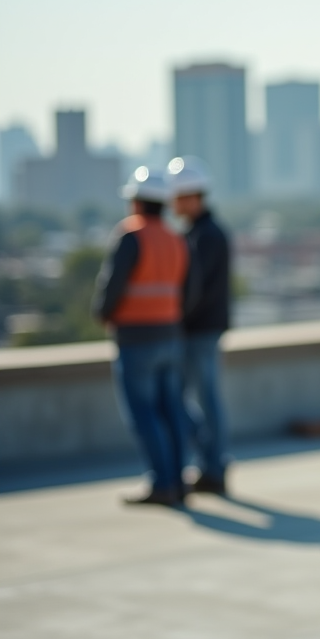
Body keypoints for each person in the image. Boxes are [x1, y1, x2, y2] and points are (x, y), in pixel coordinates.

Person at [93, 166, 193, 507]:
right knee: (172, 411)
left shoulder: (130, 235)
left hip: (136, 337)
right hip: (170, 334)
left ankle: (162, 483)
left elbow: (111, 287)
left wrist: (104, 315)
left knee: (144, 414)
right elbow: (186, 291)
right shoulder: (175, 238)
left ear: (135, 202)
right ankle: (178, 482)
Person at [167, 155, 232, 495]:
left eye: (177, 197)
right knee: (201, 399)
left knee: (199, 399)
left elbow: (193, 290)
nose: (173, 204)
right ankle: (212, 462)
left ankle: (213, 465)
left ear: (192, 197)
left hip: (199, 330)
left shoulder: (204, 237)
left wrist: (176, 319)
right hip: (204, 329)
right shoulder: (204, 233)